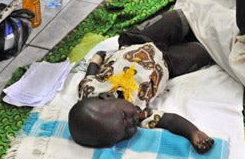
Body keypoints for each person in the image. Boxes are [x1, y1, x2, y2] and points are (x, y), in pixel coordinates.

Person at [67, 42, 215, 153]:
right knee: (203, 51)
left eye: (124, 116)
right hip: (167, 63)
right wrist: (193, 133)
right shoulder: (140, 114)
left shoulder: (89, 90)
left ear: (106, 97)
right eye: (126, 132)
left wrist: (96, 59)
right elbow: (170, 120)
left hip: (136, 43)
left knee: (174, 21)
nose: (131, 122)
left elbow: (90, 75)